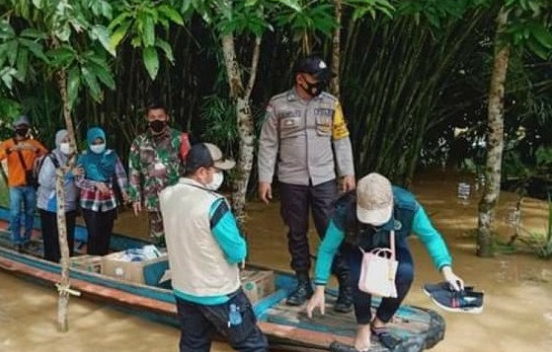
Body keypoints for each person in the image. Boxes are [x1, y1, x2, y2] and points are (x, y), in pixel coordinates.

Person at [306, 173, 465, 352]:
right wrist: (319, 287)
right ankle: (363, 325)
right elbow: (327, 249)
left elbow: (431, 237)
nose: (375, 223)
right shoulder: (344, 212)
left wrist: (447, 271)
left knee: (405, 273)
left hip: (392, 241)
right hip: (356, 243)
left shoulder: (407, 208)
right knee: (359, 276)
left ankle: (380, 321)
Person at [256, 56, 355, 311]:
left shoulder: (331, 103)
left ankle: (346, 285)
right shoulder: (278, 104)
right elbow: (268, 143)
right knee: (296, 233)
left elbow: (341, 139)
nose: (320, 83)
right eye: (316, 79)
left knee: (331, 231)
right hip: (291, 180)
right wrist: (265, 178)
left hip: (324, 179)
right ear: (300, 79)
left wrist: (347, 173)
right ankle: (303, 282)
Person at [160, 143, 268, 352]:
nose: (220, 176)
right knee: (252, 345)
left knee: (193, 346)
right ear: (202, 172)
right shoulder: (214, 204)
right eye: (216, 170)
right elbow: (237, 251)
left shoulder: (167, 195)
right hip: (219, 292)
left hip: (184, 289)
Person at [127, 101, 191, 246]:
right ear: (147, 119)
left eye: (160, 116)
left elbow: (191, 168)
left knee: (179, 239)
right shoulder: (139, 142)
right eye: (152, 117)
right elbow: (134, 170)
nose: (156, 120)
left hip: (177, 200)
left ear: (167, 117)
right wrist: (135, 198)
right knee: (157, 241)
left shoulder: (179, 139)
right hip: (153, 200)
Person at [0, 115, 48, 252]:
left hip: (30, 185)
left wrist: (34, 150)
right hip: (15, 185)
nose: (22, 129)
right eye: (20, 127)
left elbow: (46, 156)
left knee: (30, 213)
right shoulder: (7, 144)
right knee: (15, 213)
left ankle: (27, 239)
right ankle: (16, 240)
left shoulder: (33, 143)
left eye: (25, 127)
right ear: (15, 128)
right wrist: (10, 150)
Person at [75, 127, 128, 255]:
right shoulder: (83, 158)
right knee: (94, 234)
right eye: (94, 143)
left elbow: (120, 175)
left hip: (108, 201)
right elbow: (78, 180)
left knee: (106, 233)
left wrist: (125, 191)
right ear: (89, 143)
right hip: (89, 202)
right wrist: (95, 184)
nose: (98, 146)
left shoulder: (111, 156)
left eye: (100, 142)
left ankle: (103, 260)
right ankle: (92, 260)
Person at [37, 129, 81, 263]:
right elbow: (44, 181)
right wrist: (68, 175)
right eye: (64, 141)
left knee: (68, 238)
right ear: (58, 143)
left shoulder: (75, 158)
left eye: (69, 140)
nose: (67, 143)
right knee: (53, 239)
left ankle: (67, 263)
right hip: (51, 206)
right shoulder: (51, 159)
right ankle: (52, 264)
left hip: (70, 206)